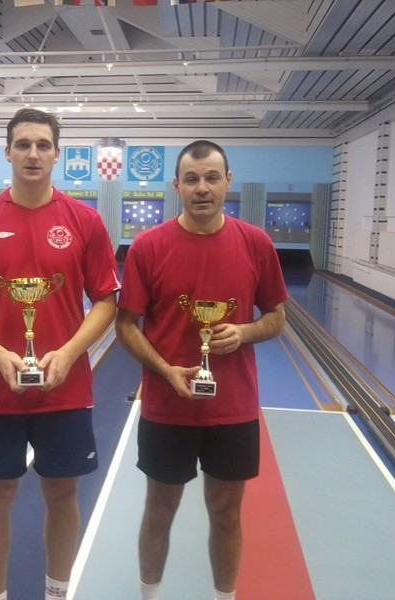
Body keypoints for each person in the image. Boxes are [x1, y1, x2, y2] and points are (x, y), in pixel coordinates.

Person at [0, 108, 119, 600]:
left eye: (42, 145)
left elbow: (106, 300)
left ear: (57, 154)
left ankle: (56, 594)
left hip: (66, 386)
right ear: (8, 153)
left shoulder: (84, 220)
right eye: (23, 144)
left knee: (62, 494)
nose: (33, 154)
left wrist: (70, 351)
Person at [115, 140, 287, 600]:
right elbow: (125, 325)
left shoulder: (256, 243)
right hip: (166, 407)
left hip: (233, 409)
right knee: (159, 509)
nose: (202, 188)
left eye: (212, 177)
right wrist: (164, 369)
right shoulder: (149, 247)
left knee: (226, 512)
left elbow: (277, 317)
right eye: (191, 179)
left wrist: (245, 332)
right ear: (177, 186)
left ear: (228, 182)